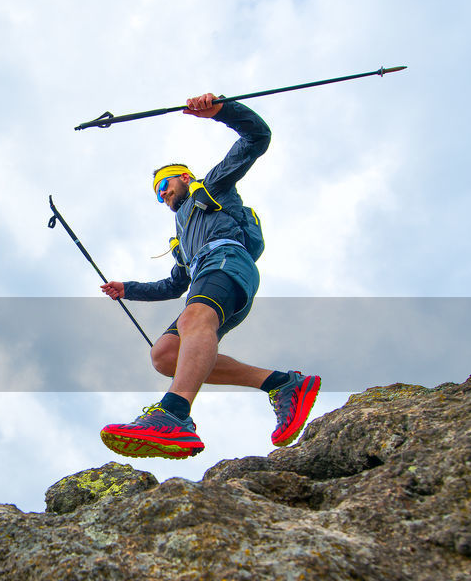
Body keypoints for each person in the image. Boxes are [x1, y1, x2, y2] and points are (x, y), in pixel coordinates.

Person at [98, 93, 320, 459]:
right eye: (157, 194)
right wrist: (129, 289)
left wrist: (222, 111)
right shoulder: (182, 239)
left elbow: (257, 138)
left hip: (228, 260)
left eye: (166, 185)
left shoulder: (211, 188)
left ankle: (174, 415)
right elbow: (175, 284)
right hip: (209, 273)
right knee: (165, 355)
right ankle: (282, 384)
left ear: (184, 178)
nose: (163, 194)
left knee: (194, 318)